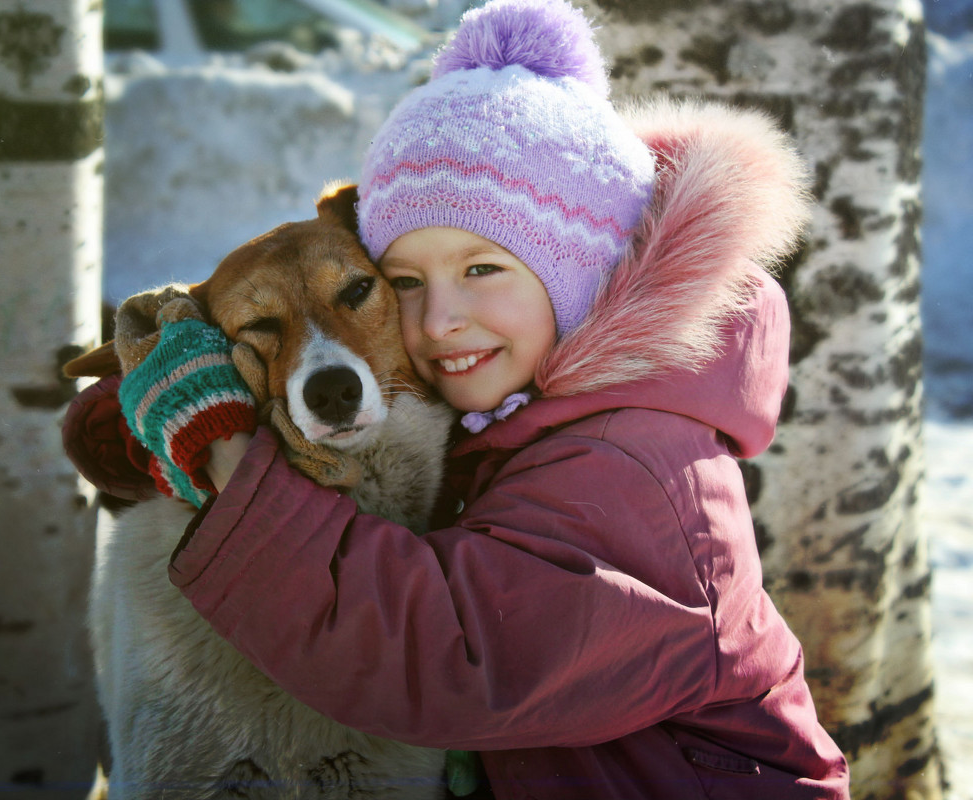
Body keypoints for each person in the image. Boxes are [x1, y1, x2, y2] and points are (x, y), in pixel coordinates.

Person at [102, 0, 852, 796]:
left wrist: (220, 449)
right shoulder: (515, 395)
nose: (440, 318)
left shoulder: (636, 466)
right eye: (403, 283)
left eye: (483, 269)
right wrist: (135, 418)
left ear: (579, 273)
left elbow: (443, 656)